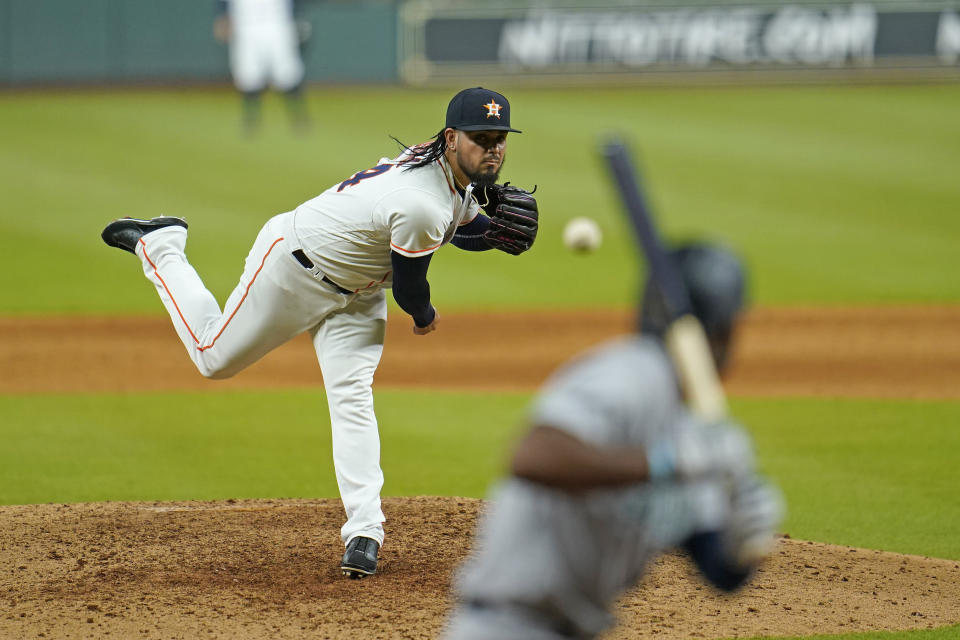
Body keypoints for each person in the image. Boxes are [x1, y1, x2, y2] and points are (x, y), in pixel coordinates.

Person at [99, 87, 540, 579]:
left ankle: (365, 533)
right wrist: (425, 317)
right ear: (452, 137)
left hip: (357, 291)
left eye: (500, 138)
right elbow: (412, 290)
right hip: (293, 268)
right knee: (212, 358)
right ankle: (163, 246)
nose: (493, 148)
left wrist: (494, 236)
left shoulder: (441, 171)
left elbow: (455, 226)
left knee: (352, 395)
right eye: (482, 138)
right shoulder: (419, 201)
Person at [443, 243, 784, 639]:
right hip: (507, 628)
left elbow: (718, 573)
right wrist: (665, 463)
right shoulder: (631, 374)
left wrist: (739, 543)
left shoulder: (693, 435)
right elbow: (535, 456)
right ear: (719, 328)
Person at [213, 0, 310, 132]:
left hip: (278, 25)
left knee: (287, 74)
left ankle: (299, 117)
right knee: (248, 75)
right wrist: (223, 16)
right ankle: (251, 119)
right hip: (245, 26)